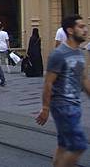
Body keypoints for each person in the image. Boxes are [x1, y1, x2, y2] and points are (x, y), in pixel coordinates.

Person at [36, 15, 90, 167]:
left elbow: (83, 79)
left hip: (74, 105)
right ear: (70, 30)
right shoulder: (58, 54)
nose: (85, 30)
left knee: (64, 145)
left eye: (85, 26)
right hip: (63, 106)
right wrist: (45, 108)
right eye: (81, 26)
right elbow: (48, 83)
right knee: (79, 146)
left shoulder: (79, 53)